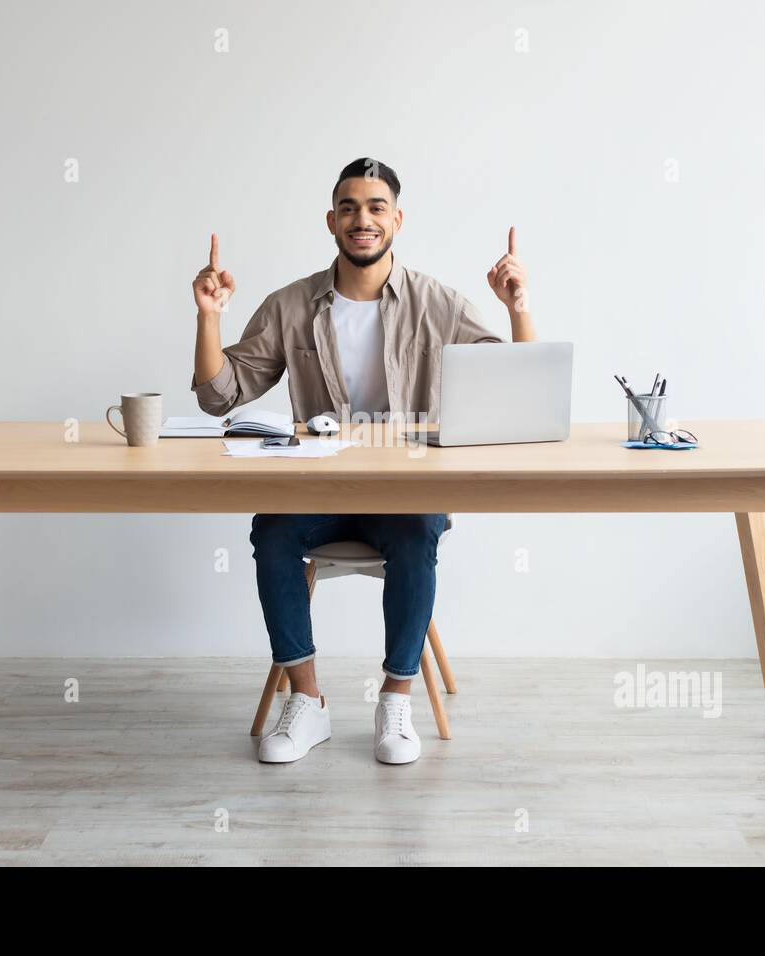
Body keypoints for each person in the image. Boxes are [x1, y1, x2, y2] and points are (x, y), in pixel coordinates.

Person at [190, 157, 536, 764]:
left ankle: (396, 699)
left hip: (401, 496)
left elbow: (521, 391)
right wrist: (209, 317)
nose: (362, 219)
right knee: (271, 533)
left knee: (418, 530)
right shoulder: (291, 304)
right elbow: (220, 397)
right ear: (331, 220)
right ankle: (307, 702)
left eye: (376, 207)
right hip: (317, 492)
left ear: (396, 219)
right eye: (349, 207)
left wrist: (518, 306)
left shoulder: (438, 303)